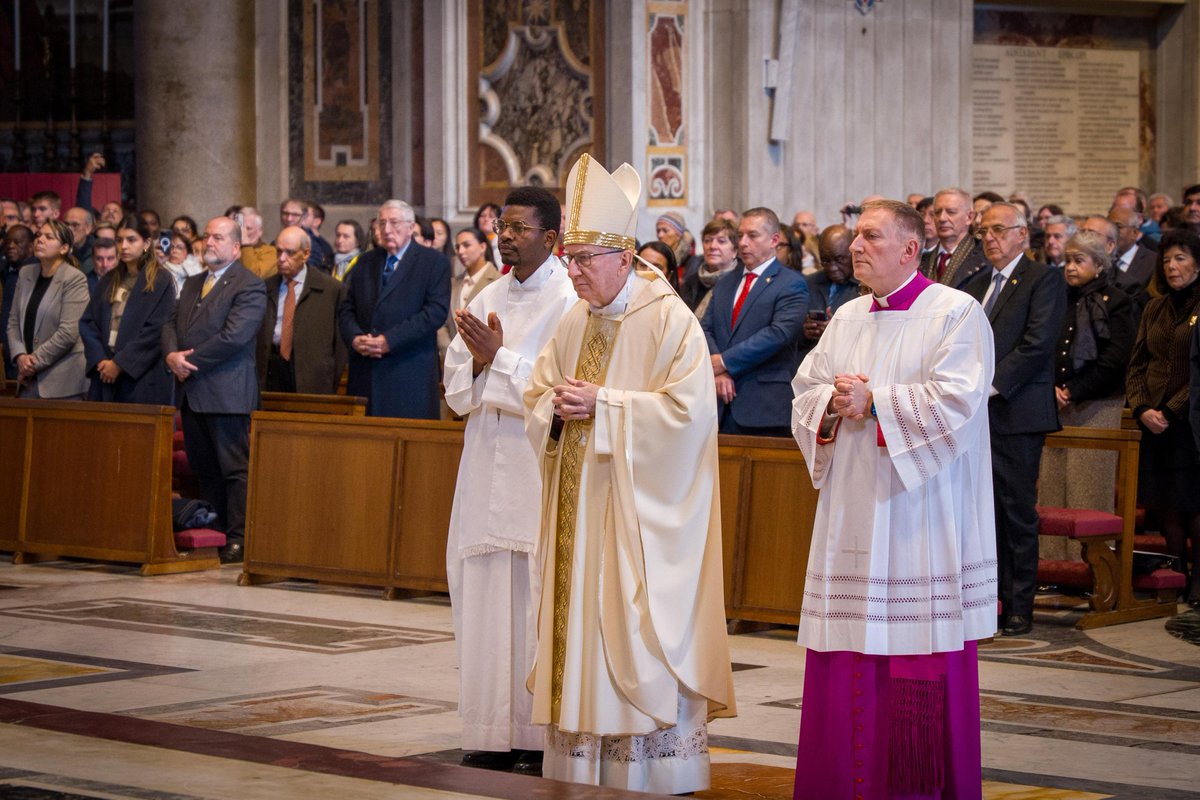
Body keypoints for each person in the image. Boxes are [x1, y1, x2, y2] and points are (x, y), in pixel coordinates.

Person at [524, 154, 735, 794]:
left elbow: (690, 417)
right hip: (579, 508)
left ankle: (651, 768)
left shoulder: (669, 319)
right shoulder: (575, 318)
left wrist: (606, 406)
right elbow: (539, 393)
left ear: (623, 257)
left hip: (635, 519)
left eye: (584, 259)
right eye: (569, 259)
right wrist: (554, 408)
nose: (572, 271)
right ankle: (581, 764)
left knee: (633, 628)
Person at [790, 199, 997, 800]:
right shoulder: (848, 315)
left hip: (919, 517)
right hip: (853, 510)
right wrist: (832, 402)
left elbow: (960, 401)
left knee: (915, 649)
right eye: (856, 236)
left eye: (871, 237)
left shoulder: (956, 312)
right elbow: (805, 388)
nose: (856, 246)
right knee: (844, 647)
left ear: (910, 249)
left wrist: (876, 401)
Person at [443, 186, 578, 776]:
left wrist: (498, 357)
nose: (506, 236)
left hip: (533, 461)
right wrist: (477, 361)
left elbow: (560, 385)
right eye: (503, 226)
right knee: (482, 590)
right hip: (483, 457)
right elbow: (456, 388)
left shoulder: (571, 299)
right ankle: (488, 730)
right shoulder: (487, 294)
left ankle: (534, 734)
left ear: (551, 237)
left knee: (531, 594)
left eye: (519, 228)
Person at [964, 202, 1066, 637]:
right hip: (975, 416)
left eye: (998, 230)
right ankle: (988, 602)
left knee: (1016, 512)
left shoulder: (1043, 279)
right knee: (982, 513)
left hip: (1016, 410)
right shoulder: (975, 283)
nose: (989, 238)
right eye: (983, 231)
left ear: (1022, 234)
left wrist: (988, 385)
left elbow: (1037, 343)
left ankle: (1020, 605)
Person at [161, 216, 267, 565]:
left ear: (236, 247)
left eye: (218, 238)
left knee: (234, 471)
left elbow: (234, 336)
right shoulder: (193, 282)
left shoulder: (249, 285)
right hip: (192, 392)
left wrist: (188, 361)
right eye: (207, 236)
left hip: (226, 393)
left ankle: (239, 539)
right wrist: (171, 355)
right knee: (204, 469)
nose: (209, 242)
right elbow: (170, 323)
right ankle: (216, 531)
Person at [1129, 229, 1200, 607]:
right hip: (1155, 423)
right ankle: (1177, 575)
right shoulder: (1154, 307)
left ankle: (1198, 582)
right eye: (1167, 260)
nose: (1172, 266)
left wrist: (1171, 410)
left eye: (1181, 258)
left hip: (1191, 423)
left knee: (1194, 504)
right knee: (1166, 503)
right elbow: (1137, 364)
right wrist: (1143, 408)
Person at [701, 207, 809, 437]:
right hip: (717, 404)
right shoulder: (726, 282)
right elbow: (706, 328)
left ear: (774, 240)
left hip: (764, 405)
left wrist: (725, 362)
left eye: (752, 235)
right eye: (740, 235)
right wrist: (718, 371)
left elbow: (778, 334)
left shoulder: (791, 284)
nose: (743, 242)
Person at [338, 200, 450, 419]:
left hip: (408, 371)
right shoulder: (365, 261)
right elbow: (347, 308)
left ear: (410, 227)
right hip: (365, 370)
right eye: (382, 223)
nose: (387, 230)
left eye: (394, 223)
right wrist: (355, 338)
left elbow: (434, 312)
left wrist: (389, 340)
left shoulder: (433, 262)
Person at [79, 215, 176, 404]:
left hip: (141, 377)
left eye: (131, 240)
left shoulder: (161, 280)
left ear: (146, 243)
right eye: (119, 240)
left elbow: (156, 330)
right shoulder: (109, 279)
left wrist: (119, 364)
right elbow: (89, 323)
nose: (123, 246)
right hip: (104, 371)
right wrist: (101, 360)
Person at [255, 226, 347, 394]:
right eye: (279, 251)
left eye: (289, 253)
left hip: (311, 373)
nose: (281, 258)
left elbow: (341, 345)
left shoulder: (331, 289)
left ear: (306, 254)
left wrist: (329, 380)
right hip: (271, 368)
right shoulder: (265, 287)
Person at [5, 220, 90, 399]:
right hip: (28, 377)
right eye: (38, 235)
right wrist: (20, 356)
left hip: (63, 381)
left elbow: (68, 333)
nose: (40, 240)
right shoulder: (25, 273)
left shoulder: (74, 279)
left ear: (64, 248)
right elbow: (13, 322)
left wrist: (32, 363)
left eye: (49, 237)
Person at [440, 228, 501, 364]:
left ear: (482, 247)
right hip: (452, 361)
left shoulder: (498, 280)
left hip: (483, 361)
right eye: (457, 247)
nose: (460, 251)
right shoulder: (453, 283)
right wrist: (448, 351)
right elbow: (443, 321)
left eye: (466, 245)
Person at [799, 224, 859, 359]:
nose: (832, 268)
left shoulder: (866, 288)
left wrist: (836, 332)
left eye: (839, 259)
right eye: (825, 261)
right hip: (809, 361)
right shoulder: (807, 284)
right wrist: (805, 332)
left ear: (853, 252)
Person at [922, 187, 989, 290]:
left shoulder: (986, 257)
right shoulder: (920, 261)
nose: (942, 218)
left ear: (970, 217)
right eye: (937, 212)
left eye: (951, 212)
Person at [681, 217, 740, 317]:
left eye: (721, 241)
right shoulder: (691, 283)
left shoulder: (741, 281)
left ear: (735, 251)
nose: (712, 246)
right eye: (707, 240)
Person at [2, 224, 36, 380]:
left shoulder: (36, 274)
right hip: (6, 355)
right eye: (7, 242)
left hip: (27, 356)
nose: (10, 246)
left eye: (17, 242)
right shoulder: (6, 272)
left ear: (31, 247)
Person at [162, 230, 205, 296]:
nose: (174, 251)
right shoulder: (160, 268)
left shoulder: (195, 270)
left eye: (179, 248)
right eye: (171, 247)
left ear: (188, 252)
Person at [239, 208, 278, 280]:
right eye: (239, 228)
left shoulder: (271, 252)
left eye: (248, 228)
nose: (242, 233)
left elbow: (254, 277)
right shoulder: (232, 251)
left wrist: (246, 246)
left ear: (259, 231)